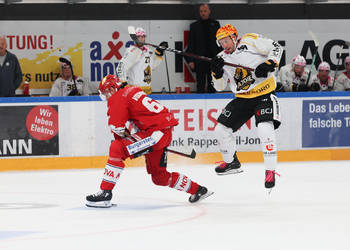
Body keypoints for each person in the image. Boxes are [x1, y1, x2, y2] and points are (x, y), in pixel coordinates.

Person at [86, 74, 213, 208]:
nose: (106, 98)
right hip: (161, 133)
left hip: (154, 135)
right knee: (160, 177)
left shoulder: (118, 96)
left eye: (105, 94)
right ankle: (198, 190)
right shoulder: (132, 90)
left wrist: (124, 136)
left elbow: (117, 127)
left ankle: (105, 192)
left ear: (111, 89)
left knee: (117, 148)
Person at [210, 24, 283, 190]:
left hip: (264, 93)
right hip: (243, 98)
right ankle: (231, 162)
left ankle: (270, 171)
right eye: (221, 42)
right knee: (221, 130)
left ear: (234, 37)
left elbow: (276, 47)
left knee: (265, 130)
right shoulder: (221, 58)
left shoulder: (250, 40)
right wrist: (216, 72)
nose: (224, 45)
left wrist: (271, 62)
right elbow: (219, 87)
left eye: (227, 40)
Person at [116, 27, 168, 95]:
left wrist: (159, 55)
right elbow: (121, 67)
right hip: (134, 90)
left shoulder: (148, 51)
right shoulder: (132, 51)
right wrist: (123, 81)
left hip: (147, 90)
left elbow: (153, 67)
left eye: (143, 36)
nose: (141, 38)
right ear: (135, 38)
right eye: (138, 37)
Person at [186, 4, 221, 93]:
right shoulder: (194, 26)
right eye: (201, 11)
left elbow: (220, 43)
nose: (203, 13)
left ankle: (212, 103)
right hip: (199, 59)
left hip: (213, 59)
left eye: (205, 11)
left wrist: (220, 58)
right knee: (200, 84)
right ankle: (199, 103)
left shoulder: (216, 24)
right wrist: (190, 60)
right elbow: (191, 44)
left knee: (212, 84)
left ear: (209, 11)